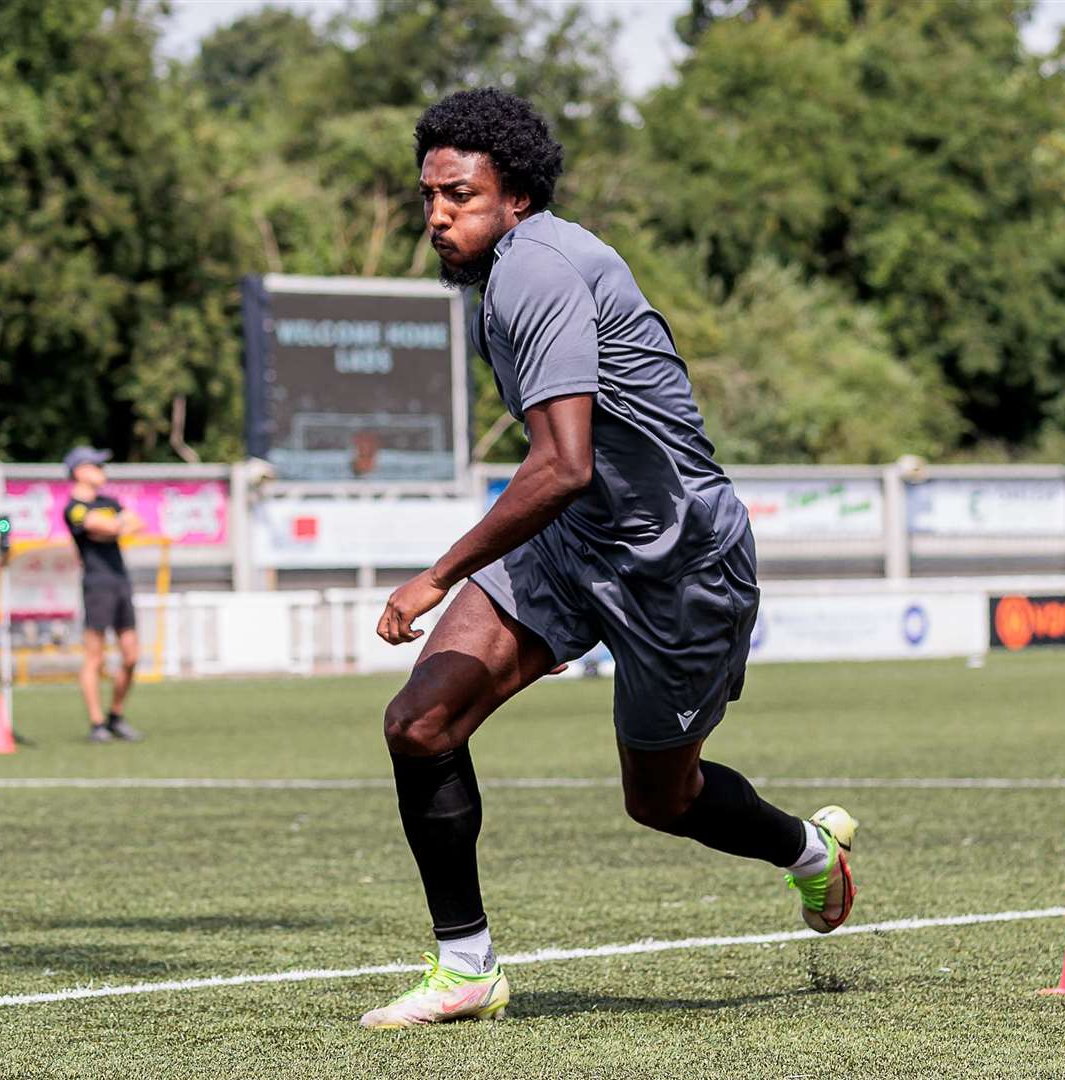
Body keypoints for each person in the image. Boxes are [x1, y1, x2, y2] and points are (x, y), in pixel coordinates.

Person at [359, 89, 857, 1030]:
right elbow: (570, 478)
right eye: (428, 195)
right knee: (420, 725)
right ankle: (466, 967)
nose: (435, 215)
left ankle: (806, 851)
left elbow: (561, 463)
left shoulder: (534, 270)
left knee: (661, 800)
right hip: (573, 539)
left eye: (457, 195)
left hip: (678, 562)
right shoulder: (502, 273)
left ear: (515, 198)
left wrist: (438, 574)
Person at [63, 446, 144, 743]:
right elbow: (105, 525)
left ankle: (116, 716)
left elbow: (134, 523)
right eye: (96, 465)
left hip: (121, 580)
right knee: (94, 657)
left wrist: (112, 527)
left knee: (132, 654)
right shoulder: (74, 508)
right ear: (79, 471)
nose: (102, 470)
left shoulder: (109, 501)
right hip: (97, 584)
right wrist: (113, 526)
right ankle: (97, 723)